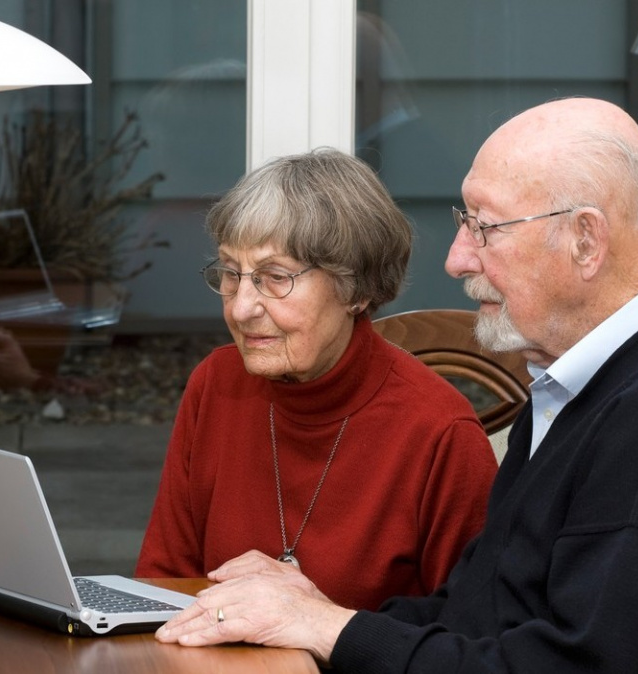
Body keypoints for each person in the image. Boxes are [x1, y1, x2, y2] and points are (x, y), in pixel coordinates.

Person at [154, 97, 638, 672]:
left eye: (484, 228)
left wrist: (323, 626)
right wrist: (311, 617)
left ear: (585, 241)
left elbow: (578, 662)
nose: (457, 259)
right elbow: (474, 616)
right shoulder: (579, 386)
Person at [134, 147, 497, 610]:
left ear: (356, 288)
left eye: (275, 277)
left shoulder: (439, 434)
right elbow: (162, 586)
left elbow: (466, 635)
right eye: (230, 273)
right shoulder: (215, 385)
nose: (241, 307)